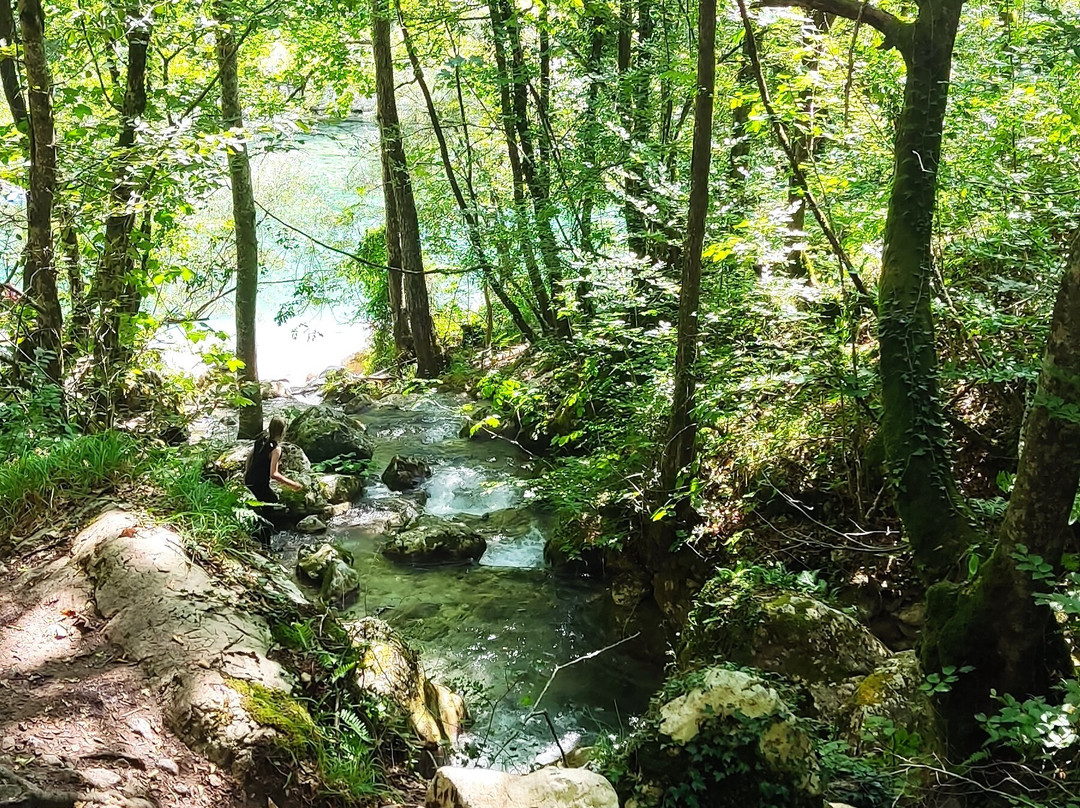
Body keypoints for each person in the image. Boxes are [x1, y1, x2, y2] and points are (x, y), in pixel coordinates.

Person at [244, 415, 303, 503]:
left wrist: (247, 471)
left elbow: (249, 456)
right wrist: (293, 484)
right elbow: (274, 474)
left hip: (248, 480)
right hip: (260, 486)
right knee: (276, 502)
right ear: (283, 430)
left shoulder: (261, 439)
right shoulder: (276, 449)